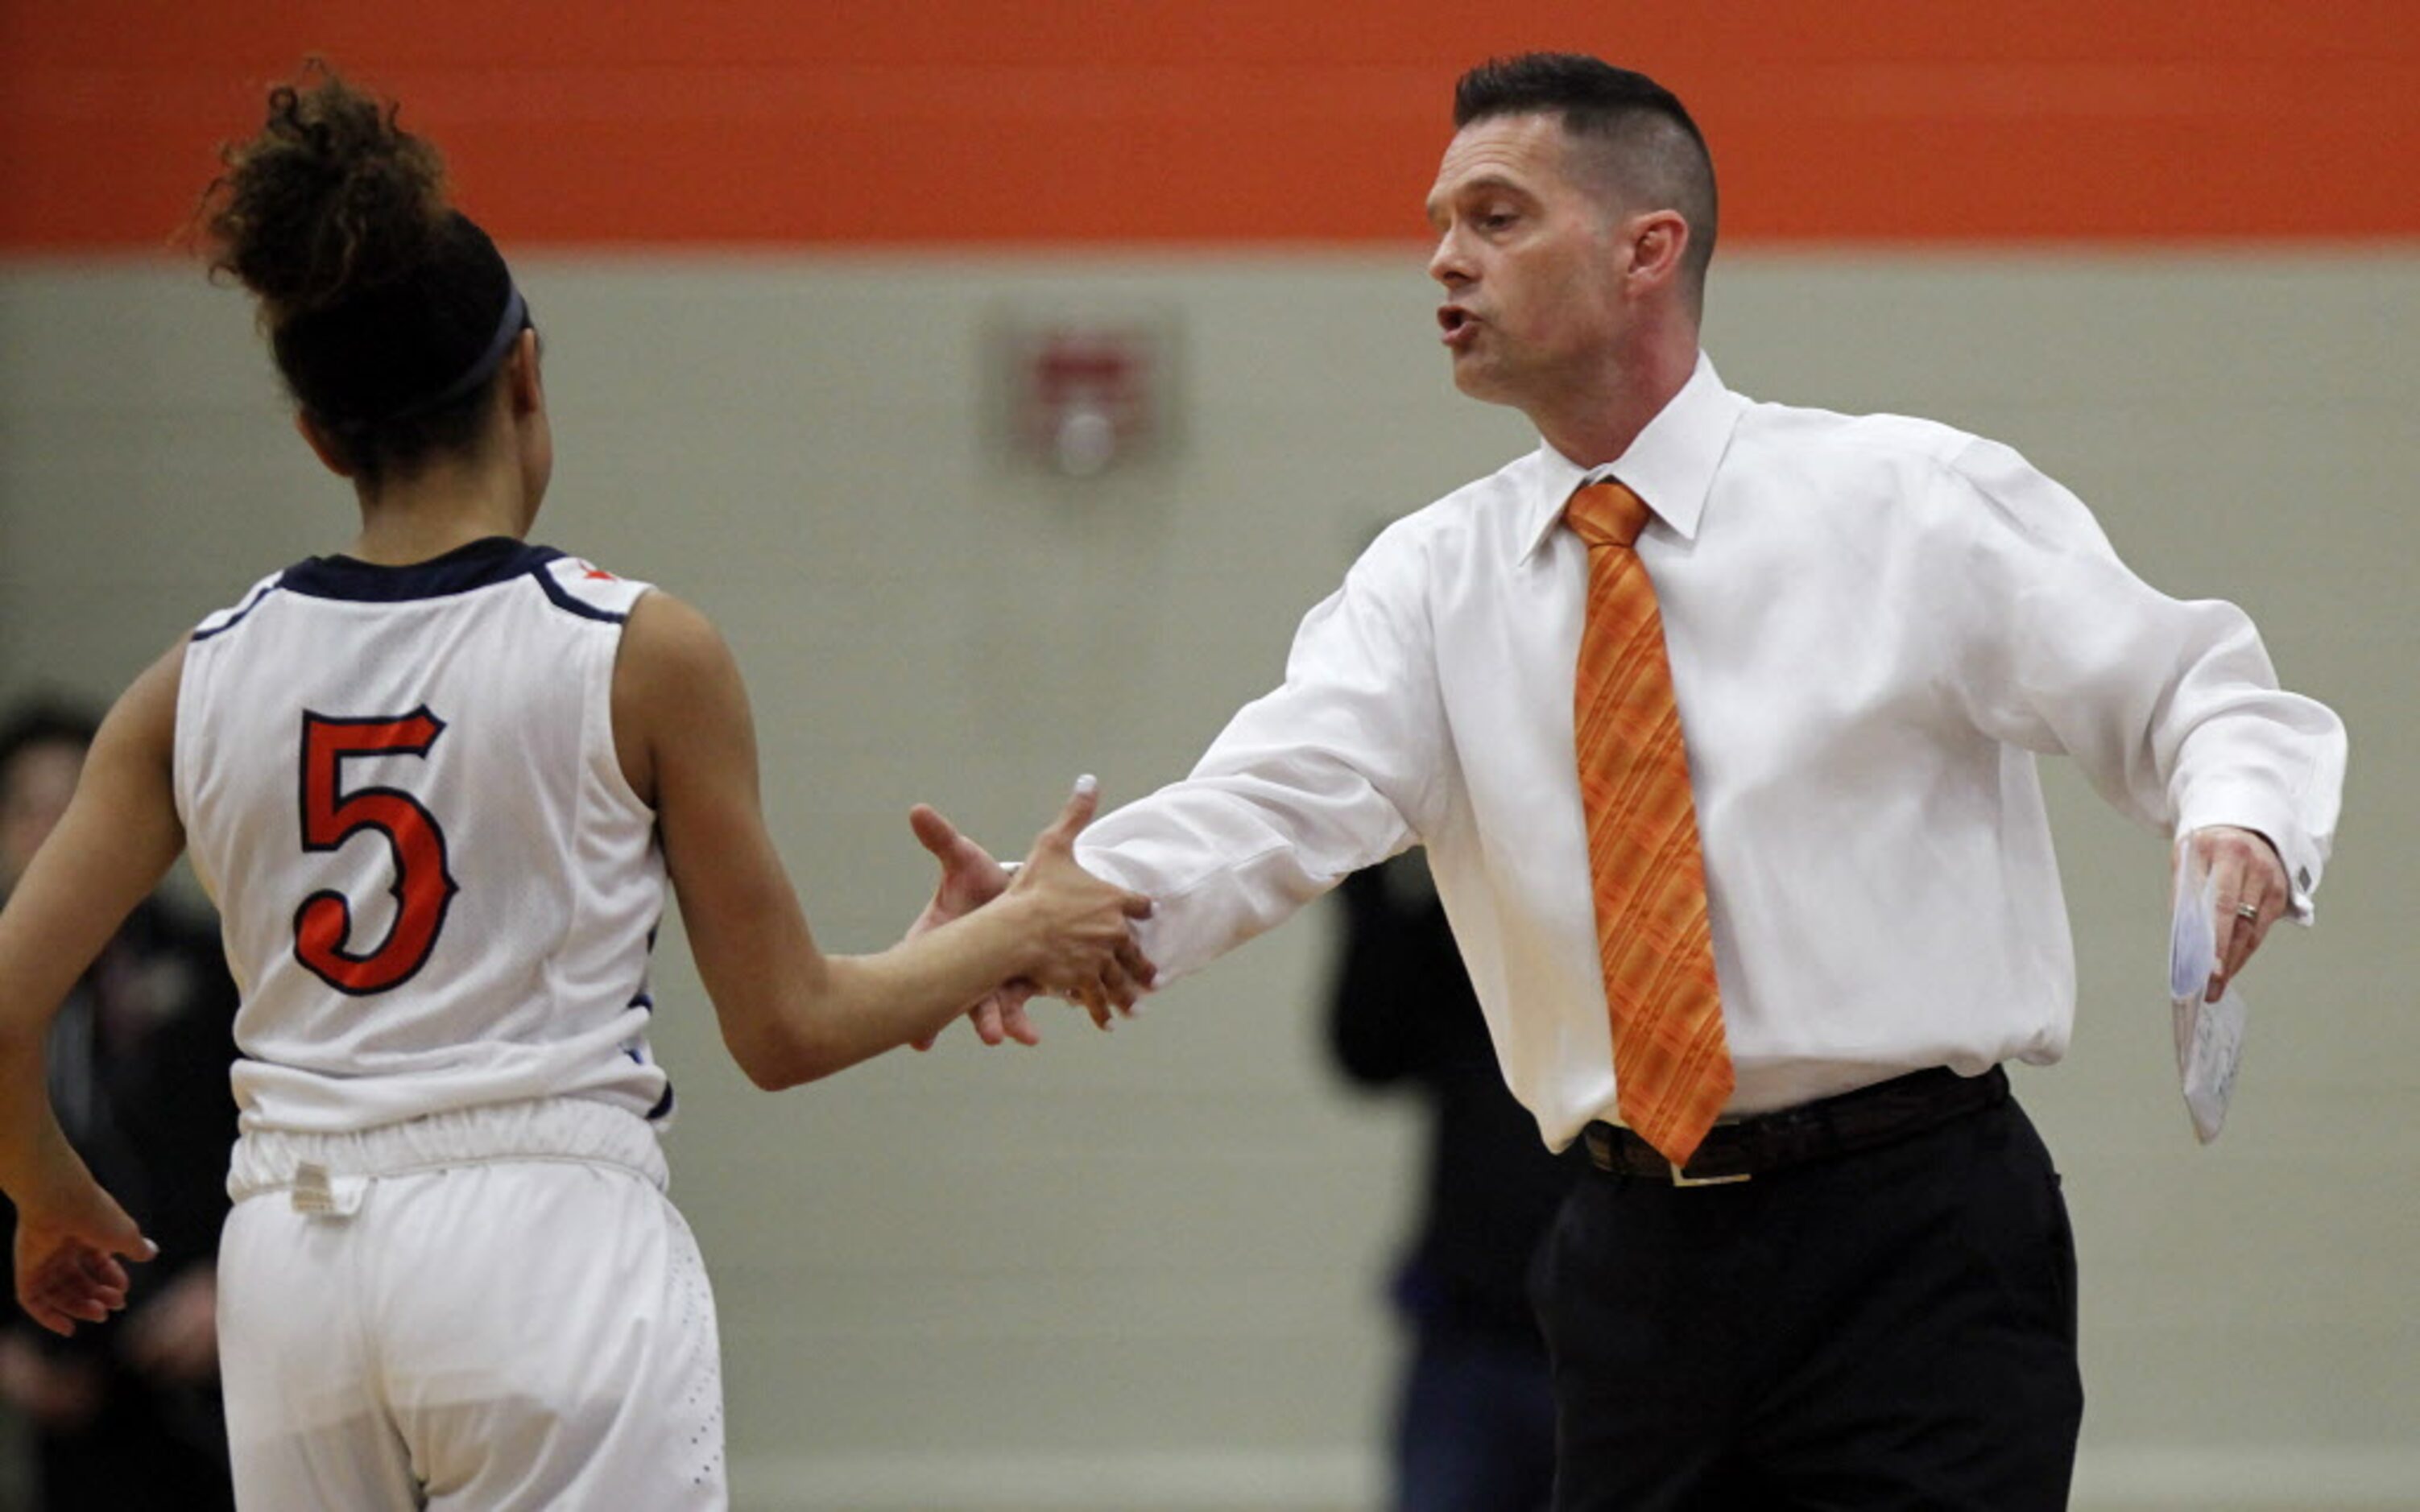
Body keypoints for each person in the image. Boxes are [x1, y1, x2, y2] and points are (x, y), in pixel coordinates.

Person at [912, 52, 2347, 1510]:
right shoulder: (1428, 580)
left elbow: (2192, 685)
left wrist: (2239, 814)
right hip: (1628, 1252)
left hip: (1918, 1236)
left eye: (1494, 216)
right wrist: (1046, 915)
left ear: (1645, 247)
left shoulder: (1905, 501)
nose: (1442, 258)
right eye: (1438, 220)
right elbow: (1262, 806)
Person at [0, 65, 1152, 1511]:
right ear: (527, 372)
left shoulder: (191, 680)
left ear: (317, 435)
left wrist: (41, 1182)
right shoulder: (639, 649)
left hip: (291, 1260)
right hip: (539, 1245)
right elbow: (787, 1026)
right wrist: (1021, 927)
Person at [0, 701, 240, 1510]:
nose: (49, 833)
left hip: (212, 1354)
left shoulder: (215, 962)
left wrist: (231, 1284)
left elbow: (277, 1139)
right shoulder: (13, 991)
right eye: (27, 809)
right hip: (63, 1366)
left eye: (72, 807)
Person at [1326, 853, 1576, 1512]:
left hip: (1626, 1341)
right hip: (1473, 1329)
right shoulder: (1466, 926)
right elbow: (1368, 1053)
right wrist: (1366, 877)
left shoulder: (1654, 941)